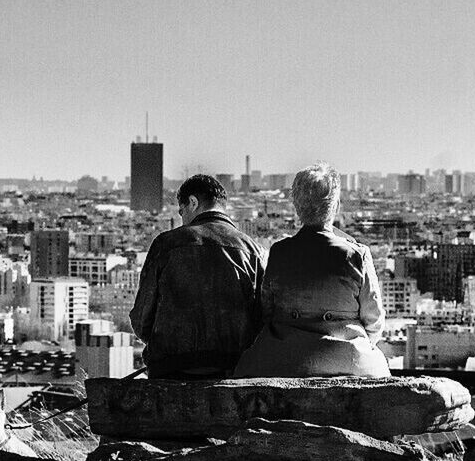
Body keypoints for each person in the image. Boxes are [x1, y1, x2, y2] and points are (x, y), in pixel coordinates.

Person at [234, 163, 390, 378]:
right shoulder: (356, 254)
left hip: (284, 358)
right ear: (335, 205)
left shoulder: (279, 252)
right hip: (348, 358)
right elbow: (374, 319)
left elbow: (267, 311)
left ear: (297, 207)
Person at [130, 174, 266, 380]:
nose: (182, 218)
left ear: (193, 202)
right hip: (232, 370)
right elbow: (262, 318)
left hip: (172, 369)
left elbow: (142, 319)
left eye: (181, 210)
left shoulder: (167, 244)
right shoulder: (253, 250)